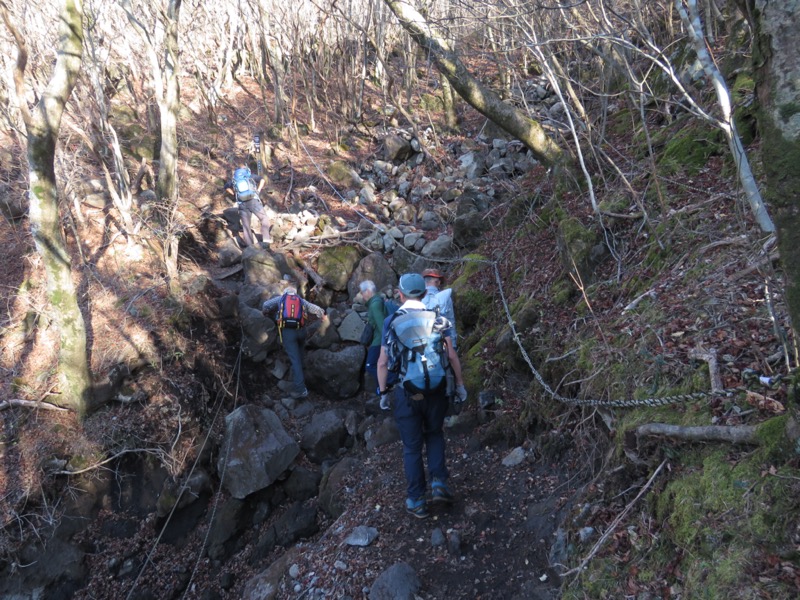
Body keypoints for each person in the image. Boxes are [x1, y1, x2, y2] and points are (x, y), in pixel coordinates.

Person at [376, 273, 468, 519]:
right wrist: (459, 385)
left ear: (400, 294)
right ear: (426, 294)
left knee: (412, 447)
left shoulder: (392, 320)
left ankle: (417, 500)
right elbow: (451, 355)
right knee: (435, 434)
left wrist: (383, 392)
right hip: (437, 389)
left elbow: (383, 362)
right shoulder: (438, 318)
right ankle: (439, 484)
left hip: (407, 393)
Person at [262, 280, 328, 399]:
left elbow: (266, 305)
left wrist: (265, 312)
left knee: (295, 359)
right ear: (295, 292)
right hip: (301, 331)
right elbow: (316, 309)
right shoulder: (300, 300)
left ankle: (300, 389)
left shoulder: (281, 299)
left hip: (288, 333)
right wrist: (323, 316)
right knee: (300, 356)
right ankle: (302, 379)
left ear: (285, 291)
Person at [224, 163, 273, 248]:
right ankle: (266, 240)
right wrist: (258, 190)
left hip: (242, 203)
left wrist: (234, 194)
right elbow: (262, 180)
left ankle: (250, 247)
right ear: (246, 169)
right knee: (264, 218)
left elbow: (226, 187)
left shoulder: (235, 179)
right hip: (253, 201)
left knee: (246, 226)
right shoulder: (249, 176)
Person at [359, 280, 388, 385]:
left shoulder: (375, 305)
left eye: (362, 292)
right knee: (375, 366)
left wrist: (385, 344)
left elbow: (382, 326)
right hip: (379, 340)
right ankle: (382, 390)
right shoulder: (377, 301)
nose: (361, 296)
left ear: (367, 291)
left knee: (370, 366)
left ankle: (391, 381)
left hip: (379, 341)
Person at [421, 268, 457, 349]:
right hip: (442, 343)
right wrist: (453, 346)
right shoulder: (446, 298)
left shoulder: (416, 298)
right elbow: (451, 322)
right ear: (438, 282)